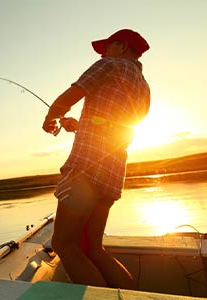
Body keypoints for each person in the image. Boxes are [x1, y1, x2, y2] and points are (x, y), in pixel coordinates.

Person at [42, 29, 151, 289]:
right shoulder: (143, 87)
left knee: (63, 244)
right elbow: (117, 126)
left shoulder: (109, 64)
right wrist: (78, 126)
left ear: (122, 46)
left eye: (106, 46)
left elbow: (71, 95)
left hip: (86, 169)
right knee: (95, 248)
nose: (102, 52)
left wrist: (51, 117)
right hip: (114, 174)